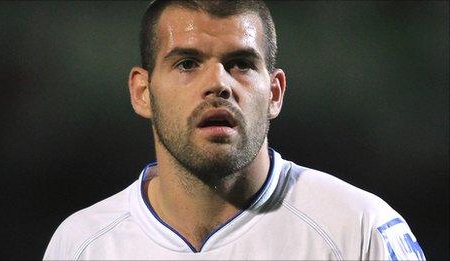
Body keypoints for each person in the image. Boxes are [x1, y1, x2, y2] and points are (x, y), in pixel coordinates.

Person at [43, 0, 425, 260]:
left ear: (274, 93)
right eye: (188, 63)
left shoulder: (359, 230)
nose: (219, 83)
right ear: (142, 92)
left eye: (240, 63)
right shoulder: (81, 245)